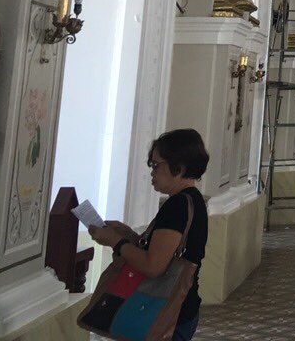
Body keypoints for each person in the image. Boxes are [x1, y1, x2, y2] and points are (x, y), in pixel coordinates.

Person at [87, 129, 209, 341]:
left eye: (156, 165)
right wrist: (129, 236)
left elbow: (154, 266)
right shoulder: (191, 199)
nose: (152, 172)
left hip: (166, 312)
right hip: (179, 309)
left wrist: (116, 242)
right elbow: (165, 253)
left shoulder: (178, 206)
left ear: (178, 168)